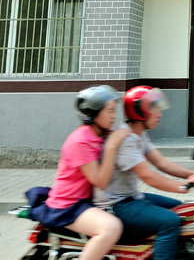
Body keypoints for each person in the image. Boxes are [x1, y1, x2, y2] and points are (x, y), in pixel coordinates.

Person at [96, 86, 194, 260]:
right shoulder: (126, 138)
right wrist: (181, 186)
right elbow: (147, 176)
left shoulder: (139, 134)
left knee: (181, 208)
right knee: (170, 222)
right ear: (140, 111)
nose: (159, 113)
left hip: (133, 197)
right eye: (154, 108)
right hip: (118, 205)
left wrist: (191, 175)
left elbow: (161, 163)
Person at [30, 85, 129, 260]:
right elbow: (100, 181)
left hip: (85, 201)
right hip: (68, 206)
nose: (114, 116)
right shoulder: (81, 140)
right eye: (110, 111)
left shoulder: (99, 135)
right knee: (110, 228)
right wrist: (112, 146)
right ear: (94, 113)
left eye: (115, 111)